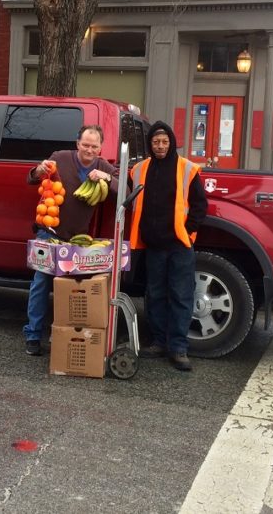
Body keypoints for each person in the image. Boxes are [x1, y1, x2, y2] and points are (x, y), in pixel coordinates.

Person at [23, 125, 119, 356]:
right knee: (41, 283)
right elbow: (32, 179)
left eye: (94, 146)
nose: (89, 150)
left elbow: (125, 188)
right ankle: (33, 335)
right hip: (49, 232)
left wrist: (105, 176)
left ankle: (68, 336)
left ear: (100, 148)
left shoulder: (103, 165)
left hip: (78, 240)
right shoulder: (60, 157)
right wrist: (39, 170)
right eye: (85, 145)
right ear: (77, 144)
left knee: (75, 291)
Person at [129, 121, 208, 371]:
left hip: (179, 246)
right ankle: (159, 342)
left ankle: (178, 348)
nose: (160, 146)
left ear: (171, 143)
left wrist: (189, 232)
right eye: (156, 142)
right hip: (153, 246)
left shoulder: (187, 169)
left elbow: (199, 205)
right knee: (155, 296)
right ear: (150, 145)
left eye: (164, 142)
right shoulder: (139, 170)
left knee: (181, 295)